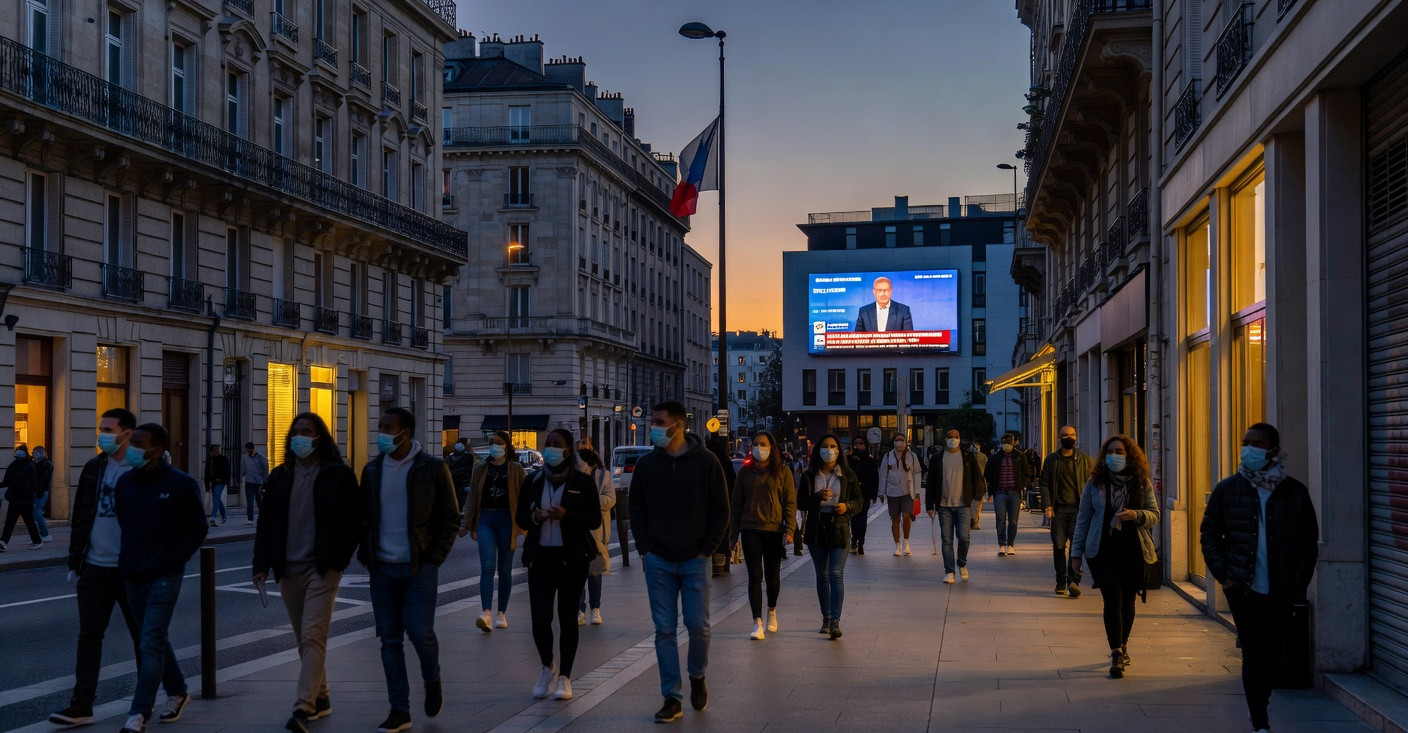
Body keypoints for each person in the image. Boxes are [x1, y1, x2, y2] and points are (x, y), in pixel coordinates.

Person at [49, 409, 188, 728]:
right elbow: (82, 515)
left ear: (128, 434)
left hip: (134, 569)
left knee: (147, 638)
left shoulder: (147, 470)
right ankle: (81, 705)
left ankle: (156, 699)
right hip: (95, 567)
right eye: (101, 429)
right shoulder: (94, 467)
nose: (102, 435)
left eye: (108, 429)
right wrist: (75, 560)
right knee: (89, 635)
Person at [1200, 423, 1319, 733]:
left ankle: (1262, 699)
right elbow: (1209, 534)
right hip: (1243, 588)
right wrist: (1224, 574)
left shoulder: (1294, 492)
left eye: (1257, 443)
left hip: (1281, 590)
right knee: (1254, 653)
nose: (1249, 448)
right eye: (1245, 442)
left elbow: (1308, 542)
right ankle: (1260, 723)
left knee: (1275, 654)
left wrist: (1298, 583)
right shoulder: (1228, 489)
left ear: (1273, 451)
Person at [252, 413, 364, 733]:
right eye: (296, 431)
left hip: (322, 568)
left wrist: (338, 561)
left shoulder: (337, 475)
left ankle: (303, 706)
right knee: (304, 638)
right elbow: (267, 524)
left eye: (307, 431)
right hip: (288, 569)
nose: (300, 437)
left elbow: (351, 521)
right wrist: (261, 565)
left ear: (319, 437)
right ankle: (322, 696)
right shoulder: (279, 476)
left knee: (314, 634)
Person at [360, 407, 459, 733]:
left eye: (388, 427)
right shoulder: (372, 470)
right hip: (383, 568)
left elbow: (450, 517)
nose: (383, 433)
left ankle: (432, 678)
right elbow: (365, 516)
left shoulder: (432, 468)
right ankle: (399, 709)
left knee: (420, 632)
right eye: (380, 427)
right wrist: (366, 550)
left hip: (419, 566)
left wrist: (434, 558)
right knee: (389, 641)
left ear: (407, 432)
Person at [629, 400, 729, 724]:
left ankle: (697, 675)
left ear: (678, 425)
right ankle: (672, 696)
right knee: (664, 630)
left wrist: (707, 548)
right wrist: (645, 548)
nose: (653, 427)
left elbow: (721, 509)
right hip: (658, 559)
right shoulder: (647, 465)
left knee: (699, 625)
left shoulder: (707, 462)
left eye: (659, 422)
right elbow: (636, 508)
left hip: (695, 559)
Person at [114, 423, 208, 733]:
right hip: (132, 574)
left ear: (157, 449)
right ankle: (178, 691)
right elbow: (123, 523)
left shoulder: (179, 484)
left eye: (139, 443)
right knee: (151, 637)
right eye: (132, 442)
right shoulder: (126, 482)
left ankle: (139, 712)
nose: (133, 448)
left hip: (164, 575)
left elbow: (197, 527)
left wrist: (174, 558)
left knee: (150, 641)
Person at [518, 429, 601, 701]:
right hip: (540, 557)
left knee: (567, 619)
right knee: (540, 619)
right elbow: (521, 517)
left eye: (558, 445)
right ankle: (547, 666)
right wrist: (535, 517)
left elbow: (594, 520)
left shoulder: (583, 482)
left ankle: (565, 676)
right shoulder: (533, 481)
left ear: (568, 451)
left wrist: (567, 515)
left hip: (571, 558)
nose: (552, 449)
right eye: (549, 444)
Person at [1070, 434, 1160, 679]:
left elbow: (1154, 513)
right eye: (1111, 452)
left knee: (1128, 601)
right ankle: (1116, 651)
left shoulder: (1141, 482)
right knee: (1112, 599)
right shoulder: (1095, 483)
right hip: (1102, 550)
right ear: (1104, 456)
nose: (1115, 456)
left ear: (1129, 455)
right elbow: (1084, 518)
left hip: (1133, 549)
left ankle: (1124, 642)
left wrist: (1137, 515)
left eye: (1120, 451)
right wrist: (1075, 554)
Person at [730, 430, 796, 640]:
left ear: (772, 448)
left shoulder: (782, 472)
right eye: (756, 444)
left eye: (763, 444)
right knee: (755, 577)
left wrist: (791, 529)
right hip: (750, 529)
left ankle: (772, 611)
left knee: (773, 577)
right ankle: (757, 621)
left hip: (773, 529)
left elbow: (790, 502)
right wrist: (732, 537)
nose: (759, 448)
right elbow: (736, 505)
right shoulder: (744, 473)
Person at [460, 430, 525, 633]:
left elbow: (523, 498)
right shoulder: (480, 469)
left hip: (508, 519)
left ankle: (501, 614)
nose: (494, 446)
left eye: (498, 443)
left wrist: (525, 525)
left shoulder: (516, 470)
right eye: (492, 443)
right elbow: (472, 497)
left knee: (505, 570)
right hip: (486, 519)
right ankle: (486, 613)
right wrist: (467, 523)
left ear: (506, 446)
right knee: (487, 566)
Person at [799, 434, 860, 639]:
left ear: (839, 450)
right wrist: (816, 498)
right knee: (822, 575)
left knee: (835, 573)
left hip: (839, 527)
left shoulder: (848, 475)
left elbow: (859, 500)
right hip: (817, 528)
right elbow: (801, 503)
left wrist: (848, 506)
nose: (829, 450)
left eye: (833, 446)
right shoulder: (809, 475)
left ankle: (835, 620)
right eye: (825, 446)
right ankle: (825, 617)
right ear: (819, 450)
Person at [925, 429, 985, 583]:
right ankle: (949, 571)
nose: (953, 439)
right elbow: (930, 483)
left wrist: (976, 497)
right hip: (944, 505)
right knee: (946, 540)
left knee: (964, 537)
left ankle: (962, 563)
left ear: (960, 438)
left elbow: (977, 477)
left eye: (956, 436)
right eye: (950, 437)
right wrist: (929, 505)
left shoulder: (968, 457)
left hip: (962, 505)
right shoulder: (937, 459)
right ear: (945, 439)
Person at [1041, 426, 1094, 597]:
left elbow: (1092, 485)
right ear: (1059, 438)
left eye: (1071, 435)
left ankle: (1073, 581)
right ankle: (1060, 581)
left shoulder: (1085, 461)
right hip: (1058, 510)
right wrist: (1047, 505)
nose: (1068, 437)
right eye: (1065, 435)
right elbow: (1044, 483)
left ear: (1076, 437)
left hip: (1078, 510)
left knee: (1076, 546)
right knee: (1058, 545)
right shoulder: (1051, 460)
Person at [578, 447, 615, 626]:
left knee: (594, 571)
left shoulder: (604, 476)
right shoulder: (573, 477)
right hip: (577, 528)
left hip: (598, 530)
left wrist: (592, 499)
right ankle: (579, 609)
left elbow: (611, 499)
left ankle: (595, 608)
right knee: (578, 572)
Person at [984, 432, 1032, 556]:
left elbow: (1027, 472)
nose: (1006, 445)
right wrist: (991, 488)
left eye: (1008, 443)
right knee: (1000, 519)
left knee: (1013, 520)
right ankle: (1002, 544)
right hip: (999, 492)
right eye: (1005, 443)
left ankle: (1011, 544)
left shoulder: (1019, 456)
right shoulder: (995, 457)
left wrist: (1022, 484)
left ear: (1013, 443)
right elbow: (987, 473)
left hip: (1014, 492)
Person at [878, 434, 922, 556]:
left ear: (906, 442)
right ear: (893, 442)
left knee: (906, 516)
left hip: (908, 491)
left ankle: (906, 543)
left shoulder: (912, 456)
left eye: (902, 440)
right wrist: (881, 492)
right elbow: (883, 474)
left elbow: (917, 473)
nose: (900, 442)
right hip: (892, 492)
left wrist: (917, 492)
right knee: (895, 518)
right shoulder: (887, 456)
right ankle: (897, 546)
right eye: (897, 440)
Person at [705, 434, 737, 577]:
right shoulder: (725, 462)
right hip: (726, 505)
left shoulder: (708, 463)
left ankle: (716, 563)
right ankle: (723, 563)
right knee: (723, 534)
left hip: (710, 507)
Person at [0, 445, 42, 551]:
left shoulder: (28, 466)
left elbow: (33, 485)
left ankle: (37, 541)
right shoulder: (18, 465)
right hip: (17, 499)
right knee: (11, 522)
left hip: (24, 500)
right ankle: (3, 542)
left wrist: (34, 493)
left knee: (29, 522)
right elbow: (7, 481)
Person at [848, 436, 879, 555]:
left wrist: (874, 495)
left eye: (861, 443)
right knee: (854, 518)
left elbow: (874, 479)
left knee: (862, 518)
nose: (858, 446)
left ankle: (861, 540)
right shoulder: (849, 460)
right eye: (856, 443)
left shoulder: (870, 461)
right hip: (852, 494)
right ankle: (854, 539)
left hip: (865, 493)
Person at [241, 442, 269, 526]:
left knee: (259, 502)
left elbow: (265, 469)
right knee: (249, 502)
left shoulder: (260, 457)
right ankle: (250, 519)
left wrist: (265, 481)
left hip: (258, 483)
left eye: (247, 449)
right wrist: (243, 473)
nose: (246, 450)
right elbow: (243, 469)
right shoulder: (245, 457)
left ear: (251, 449)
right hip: (249, 482)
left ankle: (264, 517)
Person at [204, 444, 231, 526]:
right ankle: (223, 516)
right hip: (214, 482)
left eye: (218, 449)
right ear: (212, 451)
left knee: (216, 499)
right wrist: (207, 485)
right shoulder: (210, 460)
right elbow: (207, 473)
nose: (217, 451)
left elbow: (228, 471)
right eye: (215, 449)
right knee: (217, 499)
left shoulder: (223, 459)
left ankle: (213, 518)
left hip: (221, 482)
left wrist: (226, 481)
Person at [31, 445, 53, 541]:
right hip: (34, 491)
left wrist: (39, 490)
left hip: (41, 492)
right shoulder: (34, 463)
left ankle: (45, 535)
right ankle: (37, 536)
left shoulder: (47, 464)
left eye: (38, 452)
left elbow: (45, 480)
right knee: (33, 514)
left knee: (37, 513)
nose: (35, 454)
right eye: (34, 452)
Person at [446, 440, 476, 510]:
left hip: (457, 480)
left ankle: (458, 507)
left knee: (457, 495)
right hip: (460, 480)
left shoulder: (450, 458)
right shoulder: (468, 457)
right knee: (459, 495)